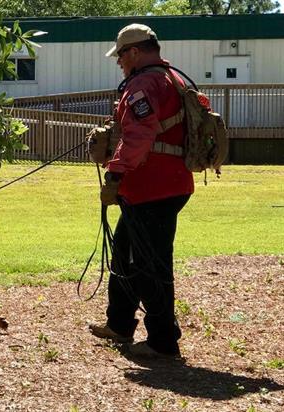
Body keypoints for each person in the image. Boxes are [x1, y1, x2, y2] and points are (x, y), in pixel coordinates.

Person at [88, 23, 194, 358]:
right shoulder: (172, 78)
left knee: (151, 264)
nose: (119, 62)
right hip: (164, 185)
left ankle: (164, 342)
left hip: (153, 187)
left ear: (134, 51)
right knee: (125, 253)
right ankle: (119, 324)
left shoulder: (144, 83)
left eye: (120, 54)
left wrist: (114, 175)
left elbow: (139, 135)